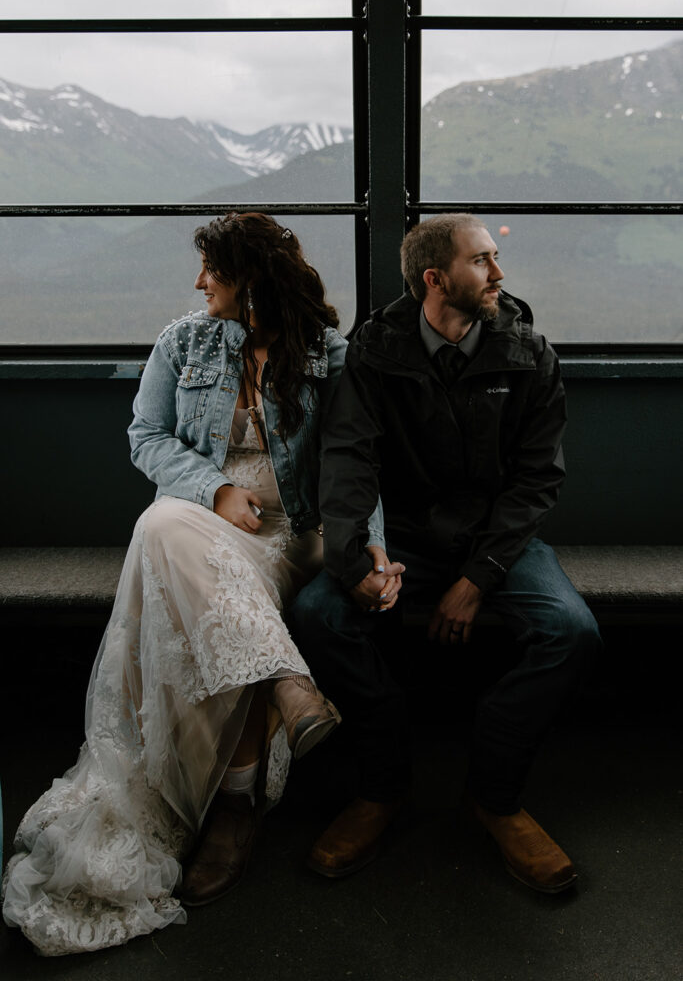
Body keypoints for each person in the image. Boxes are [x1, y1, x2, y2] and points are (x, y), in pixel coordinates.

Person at [2, 212, 386, 956]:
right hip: (202, 525)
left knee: (177, 551)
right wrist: (212, 490)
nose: (198, 282)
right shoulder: (182, 342)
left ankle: (237, 799)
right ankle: (282, 694)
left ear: (248, 279)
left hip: (292, 532)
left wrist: (370, 549)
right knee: (162, 527)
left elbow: (357, 466)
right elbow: (145, 436)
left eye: (210, 268)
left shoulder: (330, 356)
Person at [289, 213, 602, 894]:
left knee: (569, 631)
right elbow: (347, 464)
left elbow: (536, 480)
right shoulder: (372, 354)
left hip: (495, 541)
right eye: (481, 260)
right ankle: (381, 786)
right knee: (319, 614)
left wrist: (477, 577)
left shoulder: (527, 353)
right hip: (398, 539)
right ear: (435, 279)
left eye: (494, 258)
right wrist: (356, 562)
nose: (498, 273)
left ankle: (493, 797)